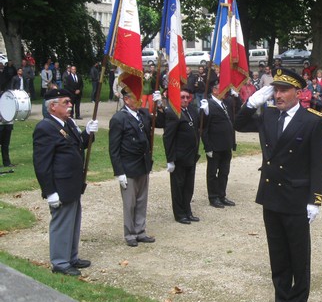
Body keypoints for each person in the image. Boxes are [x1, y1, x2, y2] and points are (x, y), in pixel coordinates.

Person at [234, 67, 322, 302]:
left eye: (284, 90)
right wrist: (252, 102)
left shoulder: (312, 120)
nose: (278, 94)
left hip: (296, 199)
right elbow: (238, 124)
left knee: (298, 256)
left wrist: (315, 200)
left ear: (299, 92)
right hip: (271, 195)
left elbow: (319, 164)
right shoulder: (269, 116)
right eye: (275, 89)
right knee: (278, 255)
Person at [33, 88, 98, 276]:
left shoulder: (67, 123)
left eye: (70, 102)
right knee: (62, 223)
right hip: (60, 186)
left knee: (73, 222)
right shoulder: (45, 128)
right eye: (66, 102)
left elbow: (79, 144)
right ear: (53, 106)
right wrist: (49, 191)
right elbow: (42, 163)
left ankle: (71, 256)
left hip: (73, 184)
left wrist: (87, 133)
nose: (70, 106)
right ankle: (60, 262)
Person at [109, 88, 157, 247]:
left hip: (143, 164)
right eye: (136, 98)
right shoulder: (119, 118)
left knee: (142, 200)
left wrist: (159, 104)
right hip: (128, 166)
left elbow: (160, 121)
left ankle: (140, 231)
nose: (139, 100)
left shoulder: (142, 114)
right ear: (127, 99)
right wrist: (119, 172)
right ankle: (129, 234)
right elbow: (114, 148)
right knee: (129, 203)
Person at [157, 88, 202, 224]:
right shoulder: (173, 113)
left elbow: (200, 125)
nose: (185, 100)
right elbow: (168, 137)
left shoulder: (192, 110)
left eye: (187, 97)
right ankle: (179, 213)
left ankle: (187, 210)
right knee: (178, 186)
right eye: (182, 97)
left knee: (189, 187)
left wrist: (205, 112)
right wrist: (170, 159)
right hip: (179, 157)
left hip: (191, 156)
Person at [201, 81, 238, 208]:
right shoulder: (209, 105)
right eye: (222, 89)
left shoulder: (225, 103)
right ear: (215, 91)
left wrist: (236, 97)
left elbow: (236, 110)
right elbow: (203, 128)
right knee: (212, 173)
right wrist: (207, 147)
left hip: (226, 145)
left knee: (224, 172)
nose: (225, 91)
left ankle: (222, 195)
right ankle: (213, 197)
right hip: (214, 146)